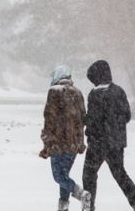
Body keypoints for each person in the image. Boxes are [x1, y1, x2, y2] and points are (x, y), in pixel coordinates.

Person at [82, 60, 135, 211]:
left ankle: (88, 206)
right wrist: (115, 129)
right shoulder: (119, 91)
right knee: (121, 175)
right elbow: (127, 116)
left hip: (98, 143)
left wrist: (86, 124)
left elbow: (93, 120)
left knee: (89, 175)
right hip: (116, 144)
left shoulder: (94, 94)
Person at [39, 65, 88, 211]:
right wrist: (78, 140)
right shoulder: (78, 93)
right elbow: (82, 118)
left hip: (58, 142)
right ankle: (63, 206)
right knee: (64, 175)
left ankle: (81, 194)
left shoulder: (54, 92)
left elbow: (50, 118)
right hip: (73, 144)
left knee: (58, 176)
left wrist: (46, 138)